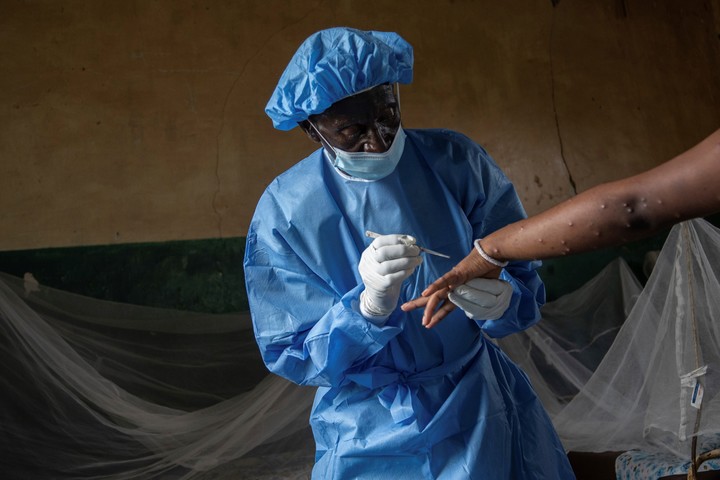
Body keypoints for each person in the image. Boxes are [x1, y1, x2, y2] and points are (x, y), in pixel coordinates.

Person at [244, 27, 575, 479]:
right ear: (311, 128)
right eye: (351, 132)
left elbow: (519, 275)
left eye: (387, 117)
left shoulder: (457, 163)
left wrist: (502, 299)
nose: (378, 143)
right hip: (366, 423)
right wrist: (366, 309)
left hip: (474, 404)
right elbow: (292, 351)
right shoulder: (286, 211)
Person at [403, 127, 720, 328]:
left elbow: (633, 207)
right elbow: (633, 206)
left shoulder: (459, 159)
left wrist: (489, 252)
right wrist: (488, 252)